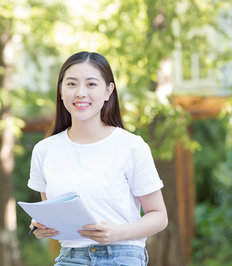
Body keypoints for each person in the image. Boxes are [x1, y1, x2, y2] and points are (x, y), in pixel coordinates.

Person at [27, 51, 168, 265]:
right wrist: (42, 228)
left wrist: (118, 232)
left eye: (91, 84)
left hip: (121, 256)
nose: (80, 93)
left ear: (108, 91)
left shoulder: (131, 146)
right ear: (61, 91)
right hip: (69, 258)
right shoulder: (44, 150)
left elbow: (159, 216)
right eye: (72, 84)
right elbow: (54, 217)